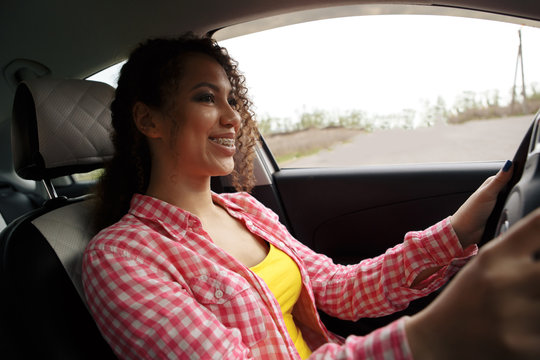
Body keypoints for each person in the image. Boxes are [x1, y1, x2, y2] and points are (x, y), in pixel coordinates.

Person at [83, 34, 540, 360]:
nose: (232, 119)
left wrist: (461, 227)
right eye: (207, 98)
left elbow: (337, 290)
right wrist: (428, 337)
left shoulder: (244, 210)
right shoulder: (121, 257)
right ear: (149, 121)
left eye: (231, 101)